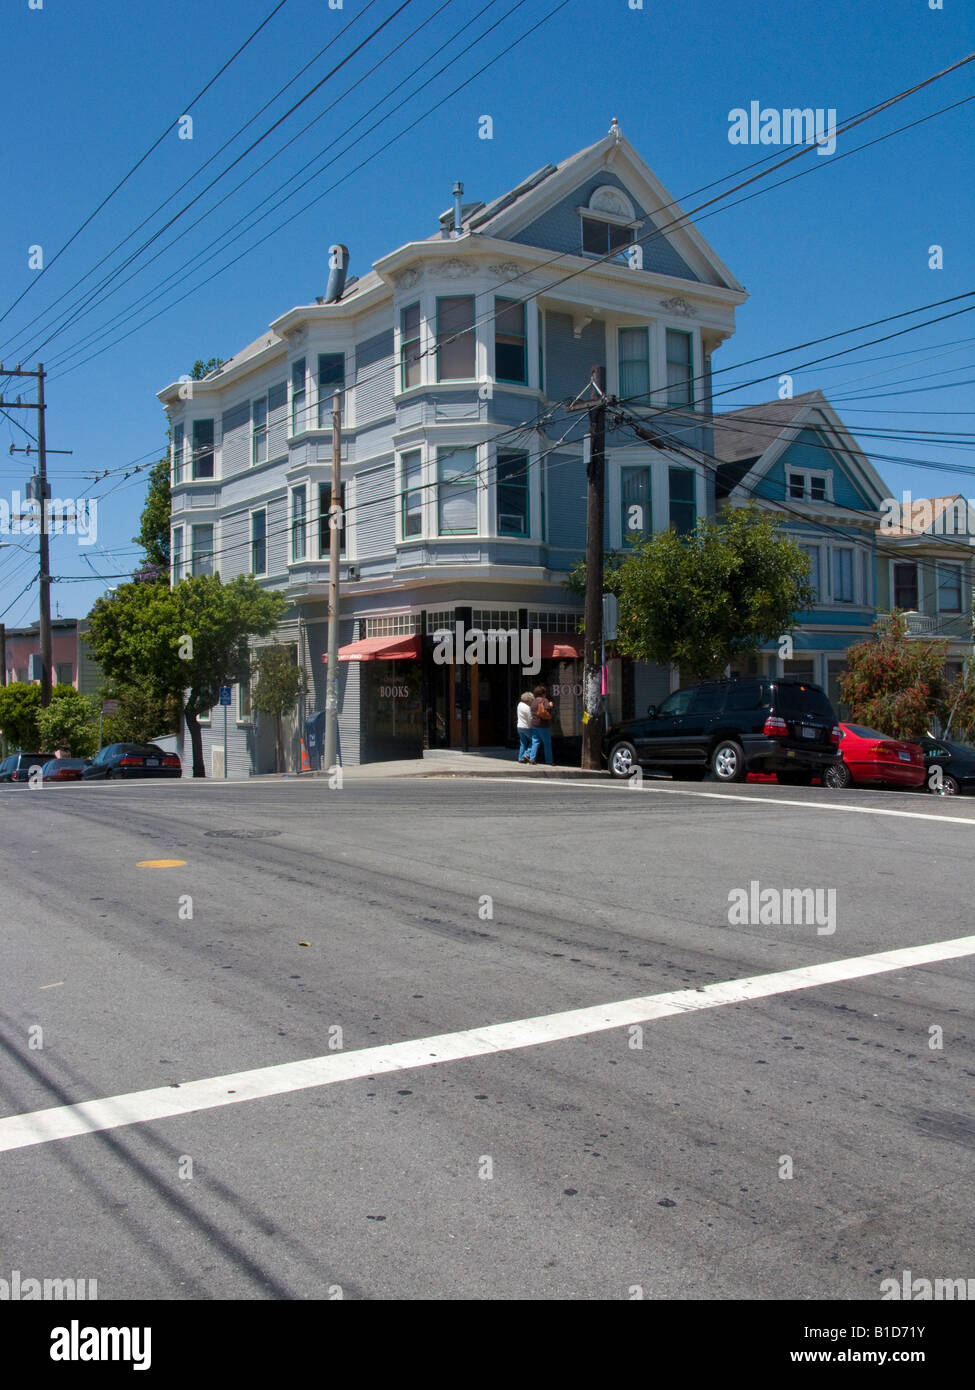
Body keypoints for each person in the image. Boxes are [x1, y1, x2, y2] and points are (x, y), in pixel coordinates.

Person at [528, 684, 555, 765]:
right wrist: (550, 705)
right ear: (543, 693)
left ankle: (532, 759)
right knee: (547, 743)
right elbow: (547, 708)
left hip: (534, 724)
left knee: (535, 742)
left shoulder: (533, 701)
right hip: (543, 725)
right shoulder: (544, 700)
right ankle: (549, 760)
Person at [516, 691, 534, 762]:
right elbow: (530, 719)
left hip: (519, 726)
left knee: (523, 743)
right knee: (534, 741)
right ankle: (526, 754)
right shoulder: (527, 708)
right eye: (531, 700)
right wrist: (533, 726)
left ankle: (520, 758)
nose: (531, 702)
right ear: (528, 700)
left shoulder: (519, 705)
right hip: (526, 727)